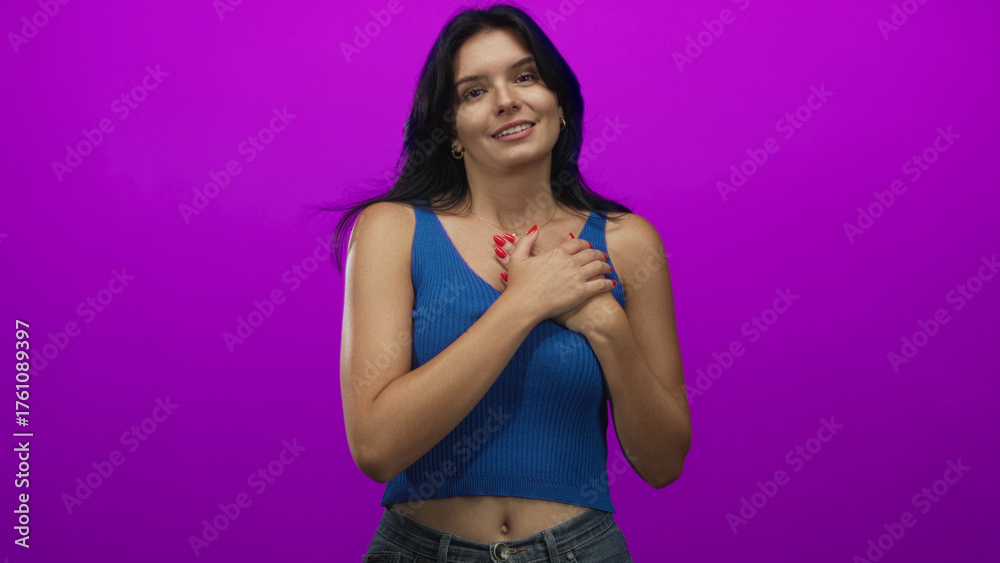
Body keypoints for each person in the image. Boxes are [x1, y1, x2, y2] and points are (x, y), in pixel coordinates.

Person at [326, 3, 690, 561]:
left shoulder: (628, 242)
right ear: (451, 130)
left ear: (559, 103)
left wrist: (605, 324)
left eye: (525, 76)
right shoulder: (391, 230)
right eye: (474, 91)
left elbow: (664, 463)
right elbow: (375, 447)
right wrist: (524, 303)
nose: (506, 100)